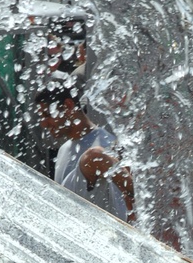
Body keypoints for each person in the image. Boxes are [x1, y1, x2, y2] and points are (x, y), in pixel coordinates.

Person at [42, 86, 135, 222]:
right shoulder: (63, 149)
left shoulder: (108, 144)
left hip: (104, 233)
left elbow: (127, 205)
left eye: (47, 115)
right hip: (73, 233)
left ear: (68, 105)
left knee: (93, 157)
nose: (43, 123)